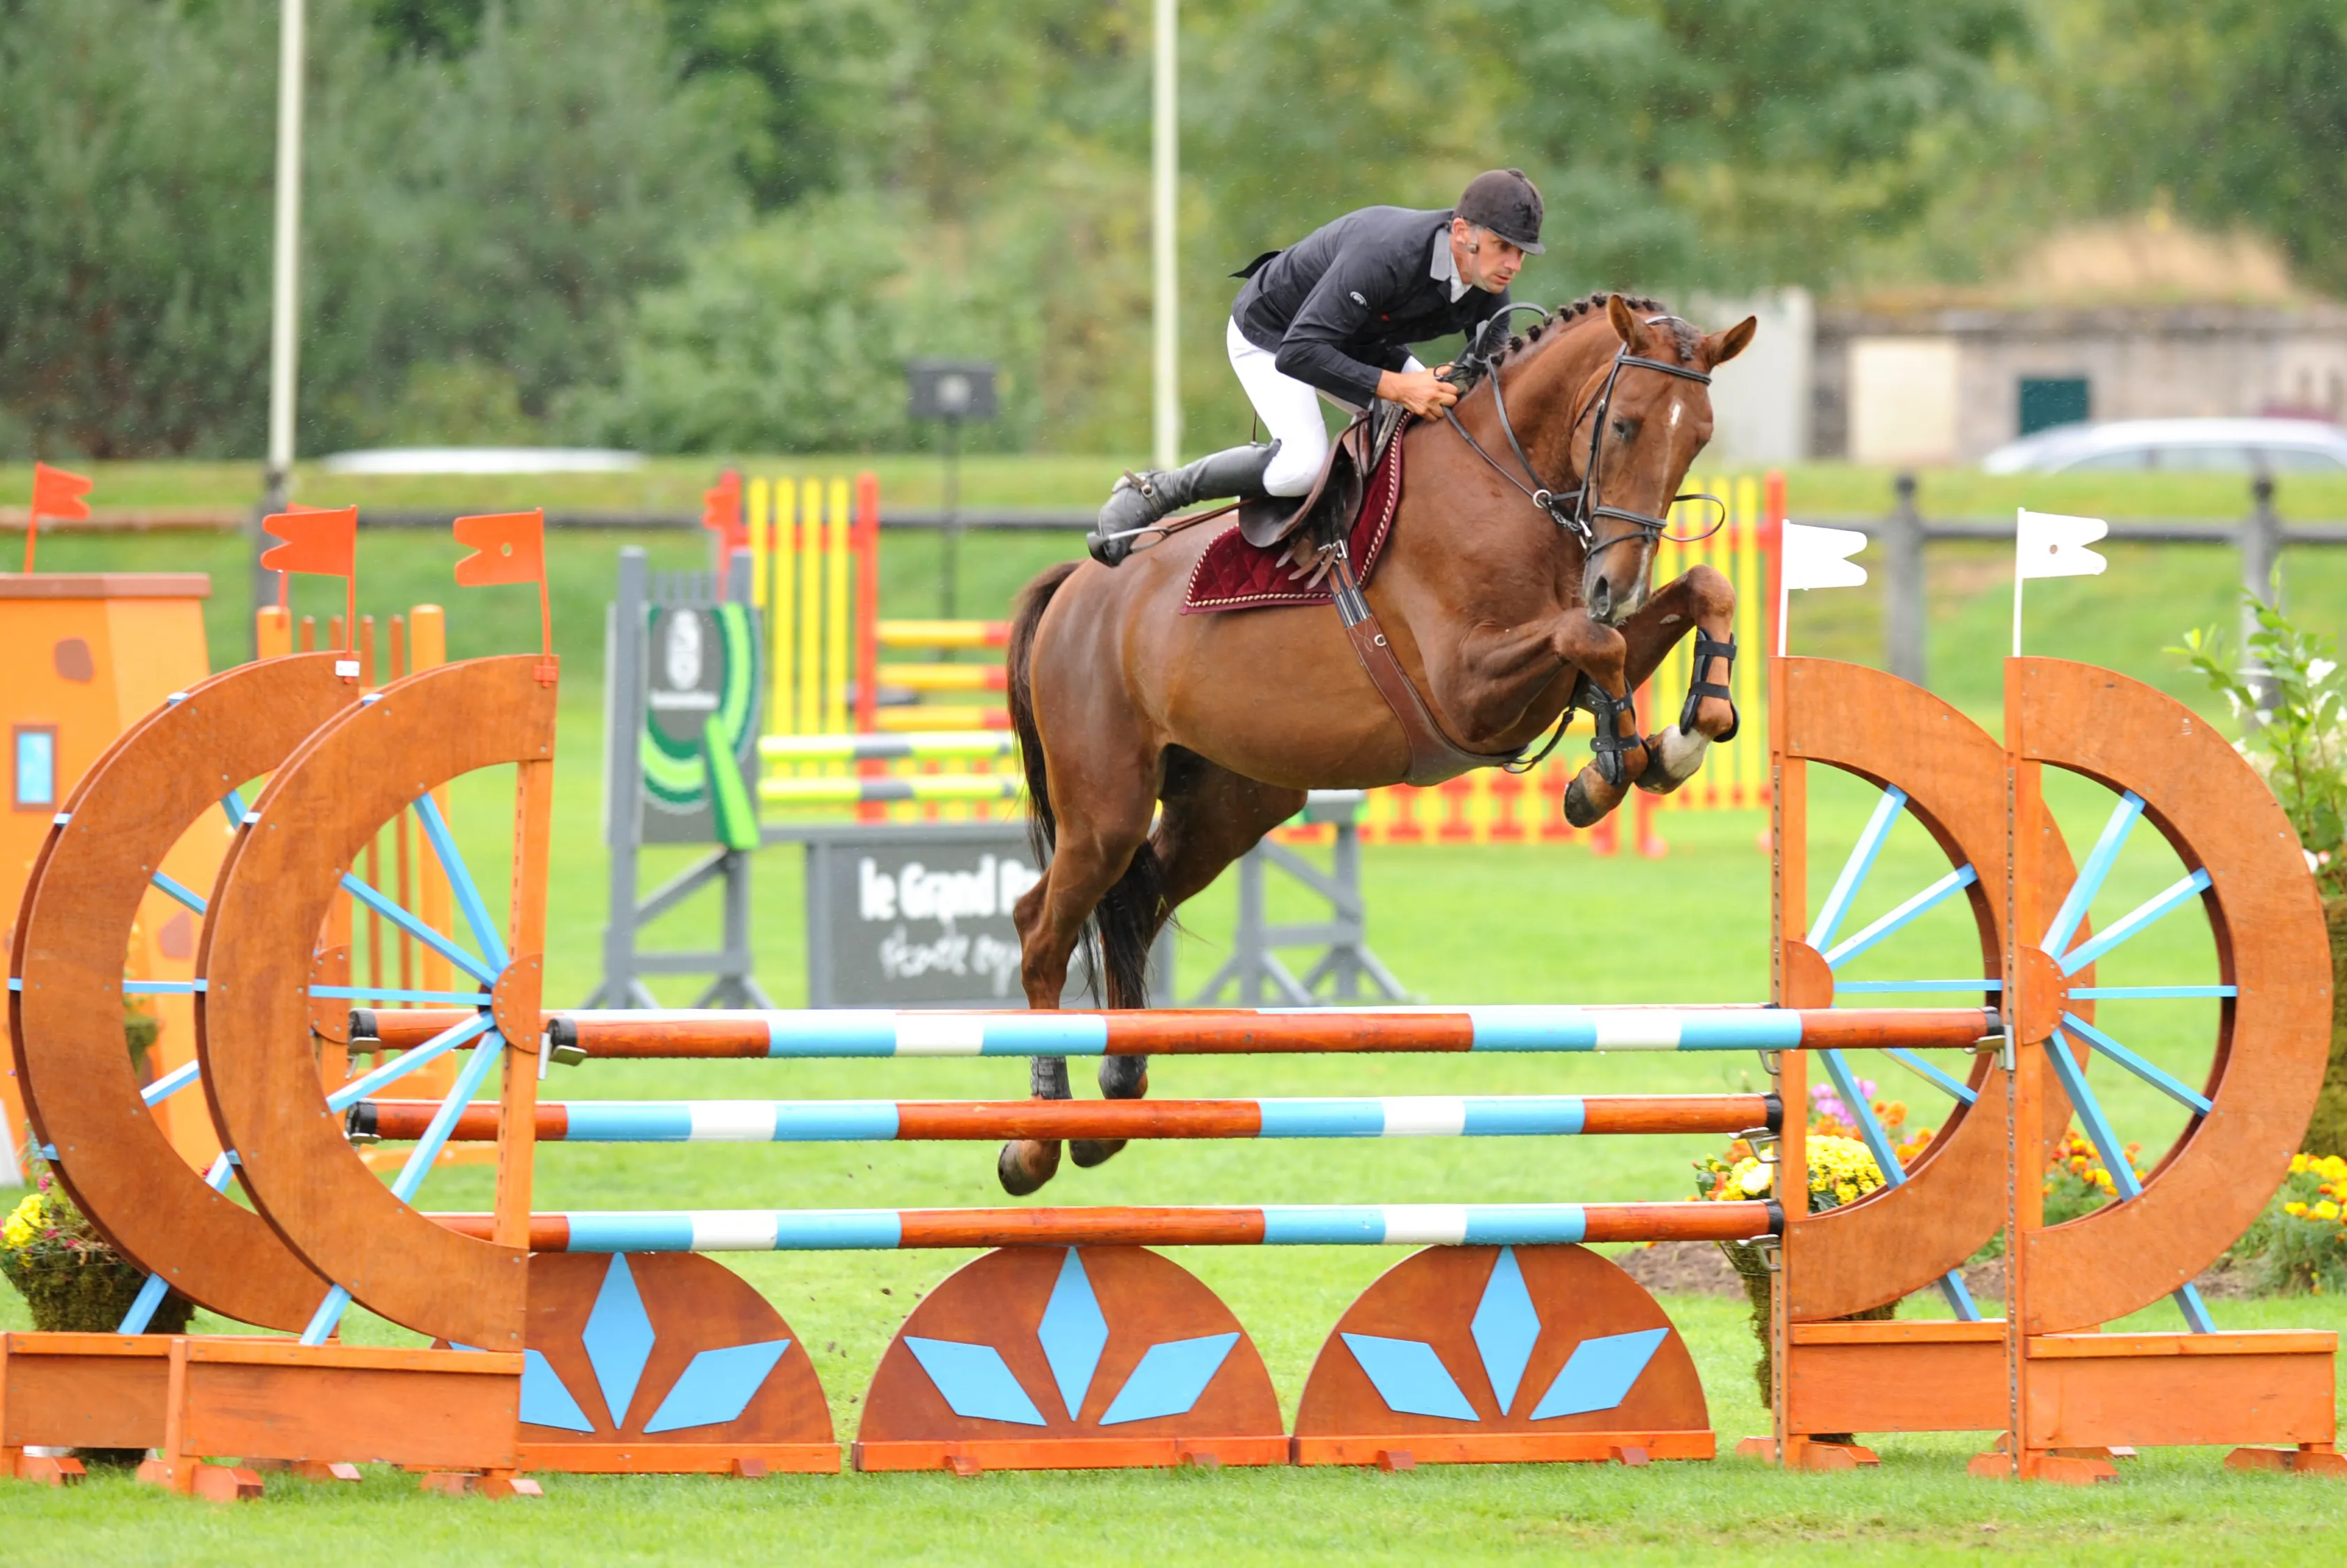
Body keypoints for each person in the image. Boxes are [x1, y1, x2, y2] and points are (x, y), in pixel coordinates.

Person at [1087, 167, 1543, 566]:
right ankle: (1163, 489)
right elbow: (1300, 352)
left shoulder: (1487, 279)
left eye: (1521, 253)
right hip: (1273, 335)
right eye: (1502, 246)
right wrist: (1401, 389)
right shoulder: (1386, 254)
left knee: (1444, 429)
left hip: (1362, 341)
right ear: (1462, 231)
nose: (1512, 265)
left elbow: (1489, 378)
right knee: (1300, 467)